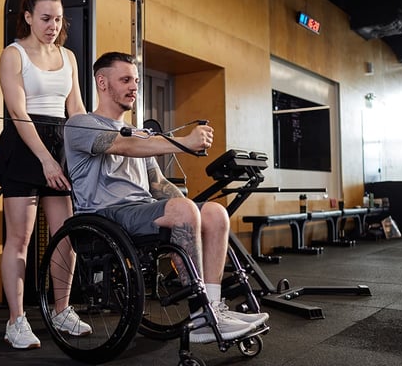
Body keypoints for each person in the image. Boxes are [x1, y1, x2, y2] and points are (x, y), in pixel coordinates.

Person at [64, 52, 269, 344]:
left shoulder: (140, 133)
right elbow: (122, 146)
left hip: (141, 211)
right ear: (102, 82)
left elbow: (158, 184)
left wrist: (195, 210)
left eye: (135, 80)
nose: (134, 86)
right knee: (186, 210)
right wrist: (183, 144)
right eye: (125, 80)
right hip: (104, 215)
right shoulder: (81, 124)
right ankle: (201, 318)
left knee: (215, 213)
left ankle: (213, 308)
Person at [0, 0, 91, 350]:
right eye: (45, 18)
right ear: (28, 17)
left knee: (67, 233)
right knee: (20, 238)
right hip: (24, 144)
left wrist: (92, 146)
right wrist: (45, 159)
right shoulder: (13, 54)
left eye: (58, 19)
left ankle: (62, 310)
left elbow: (75, 111)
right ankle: (16, 320)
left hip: (59, 144)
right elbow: (17, 111)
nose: (52, 25)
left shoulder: (68, 58)